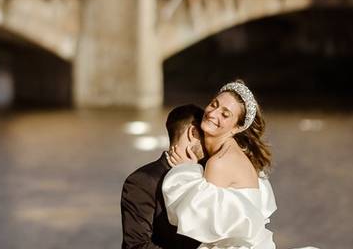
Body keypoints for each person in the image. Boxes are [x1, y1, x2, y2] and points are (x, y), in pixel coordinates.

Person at [163, 80, 316, 249]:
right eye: (214, 104)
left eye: (225, 114)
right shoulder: (235, 153)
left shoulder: (219, 162)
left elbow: (198, 220)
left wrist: (187, 171)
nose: (213, 114)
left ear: (236, 128)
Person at [120, 104, 205, 249]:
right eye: (207, 135)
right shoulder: (142, 181)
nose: (212, 142)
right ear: (194, 132)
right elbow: (136, 245)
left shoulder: (209, 175)